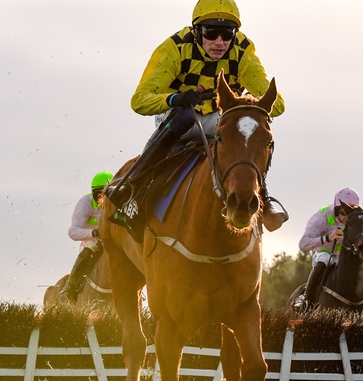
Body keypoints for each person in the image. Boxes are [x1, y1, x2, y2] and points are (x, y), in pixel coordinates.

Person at [107, 0, 287, 231]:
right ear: (196, 31)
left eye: (227, 33)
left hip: (217, 119)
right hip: (178, 113)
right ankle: (132, 185)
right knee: (185, 118)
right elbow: (139, 101)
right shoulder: (174, 48)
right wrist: (174, 98)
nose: (219, 42)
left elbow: (278, 105)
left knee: (250, 128)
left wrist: (243, 105)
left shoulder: (243, 52)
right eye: (211, 32)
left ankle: (262, 195)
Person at [294, 188, 363, 314]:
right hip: (325, 254)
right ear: (336, 209)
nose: (346, 217)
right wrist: (329, 237)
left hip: (347, 258)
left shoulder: (356, 219)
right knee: (323, 260)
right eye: (342, 211)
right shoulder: (323, 216)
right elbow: (303, 244)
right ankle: (306, 298)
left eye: (350, 211)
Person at [56, 171, 114, 304]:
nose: (101, 200)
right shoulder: (85, 203)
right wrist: (93, 233)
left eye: (105, 195)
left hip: (112, 239)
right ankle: (69, 290)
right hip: (92, 241)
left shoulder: (119, 202)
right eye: (99, 194)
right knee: (90, 248)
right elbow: (73, 232)